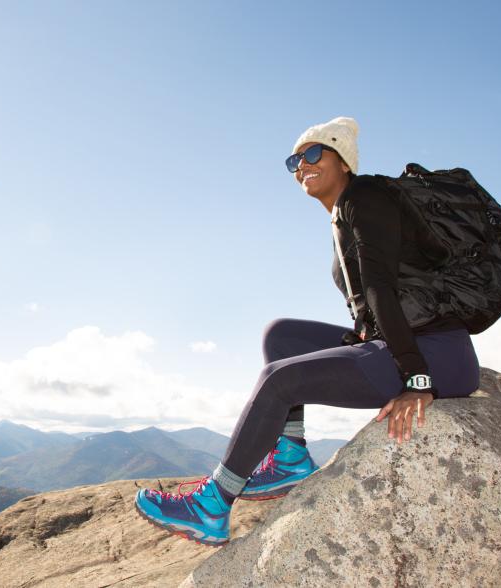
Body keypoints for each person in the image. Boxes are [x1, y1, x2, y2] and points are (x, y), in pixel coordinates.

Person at [134, 116, 481, 546]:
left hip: (437, 354)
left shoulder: (366, 197)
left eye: (315, 153)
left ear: (344, 162)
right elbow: (383, 295)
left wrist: (417, 379)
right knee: (281, 336)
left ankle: (212, 505)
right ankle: (291, 458)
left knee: (279, 381)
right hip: (403, 340)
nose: (303, 165)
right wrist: (364, 335)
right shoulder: (342, 217)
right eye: (295, 160)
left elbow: (379, 288)